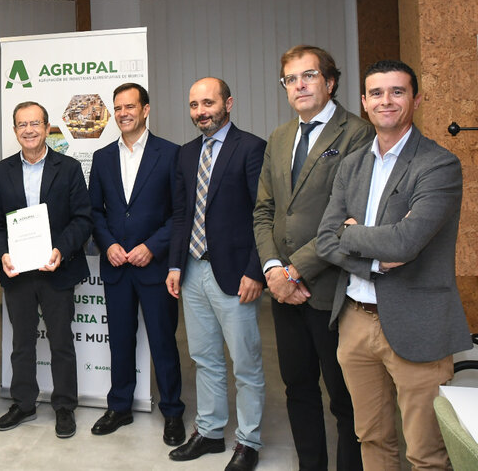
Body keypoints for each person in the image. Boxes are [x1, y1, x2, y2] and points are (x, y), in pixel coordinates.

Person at [317, 59, 472, 470]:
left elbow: (407, 240)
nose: (386, 100)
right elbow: (325, 239)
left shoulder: (438, 165)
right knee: (371, 438)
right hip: (355, 320)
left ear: (416, 100)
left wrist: (352, 233)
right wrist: (376, 262)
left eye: (397, 91)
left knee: (427, 452)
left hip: (418, 324)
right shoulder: (350, 166)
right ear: (365, 103)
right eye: (377, 93)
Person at [253, 45, 372, 471]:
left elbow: (345, 220)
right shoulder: (280, 137)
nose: (299, 85)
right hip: (285, 294)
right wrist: (272, 269)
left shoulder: (357, 133)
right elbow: (264, 210)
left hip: (331, 290)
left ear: (330, 81)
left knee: (345, 398)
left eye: (308, 76)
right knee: (298, 389)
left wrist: (293, 269)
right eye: (291, 79)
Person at [166, 77, 266, 471]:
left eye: (208, 103)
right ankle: (209, 432)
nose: (200, 111)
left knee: (246, 363)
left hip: (235, 275)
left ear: (229, 103)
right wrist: (175, 264)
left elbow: (264, 215)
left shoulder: (252, 148)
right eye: (193, 105)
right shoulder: (186, 154)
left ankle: (248, 441)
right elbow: (180, 215)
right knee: (204, 358)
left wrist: (256, 270)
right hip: (193, 271)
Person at [0, 101, 92, 439]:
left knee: (61, 342)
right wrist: (2, 254)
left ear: (47, 128)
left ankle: (64, 406)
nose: (28, 130)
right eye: (21, 124)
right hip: (18, 273)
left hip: (56, 269)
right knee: (22, 342)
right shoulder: (0, 172)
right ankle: (24, 403)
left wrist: (61, 248)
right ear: (14, 130)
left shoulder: (70, 168)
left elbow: (83, 218)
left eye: (35, 123)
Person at [87, 82, 184, 442]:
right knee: (120, 341)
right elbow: (95, 211)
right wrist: (107, 243)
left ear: (146, 109)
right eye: (118, 108)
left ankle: (172, 411)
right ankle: (120, 407)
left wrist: (153, 246)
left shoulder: (171, 154)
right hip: (116, 266)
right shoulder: (102, 158)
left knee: (163, 342)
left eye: (130, 106)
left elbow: (179, 214)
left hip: (154, 267)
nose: (123, 113)